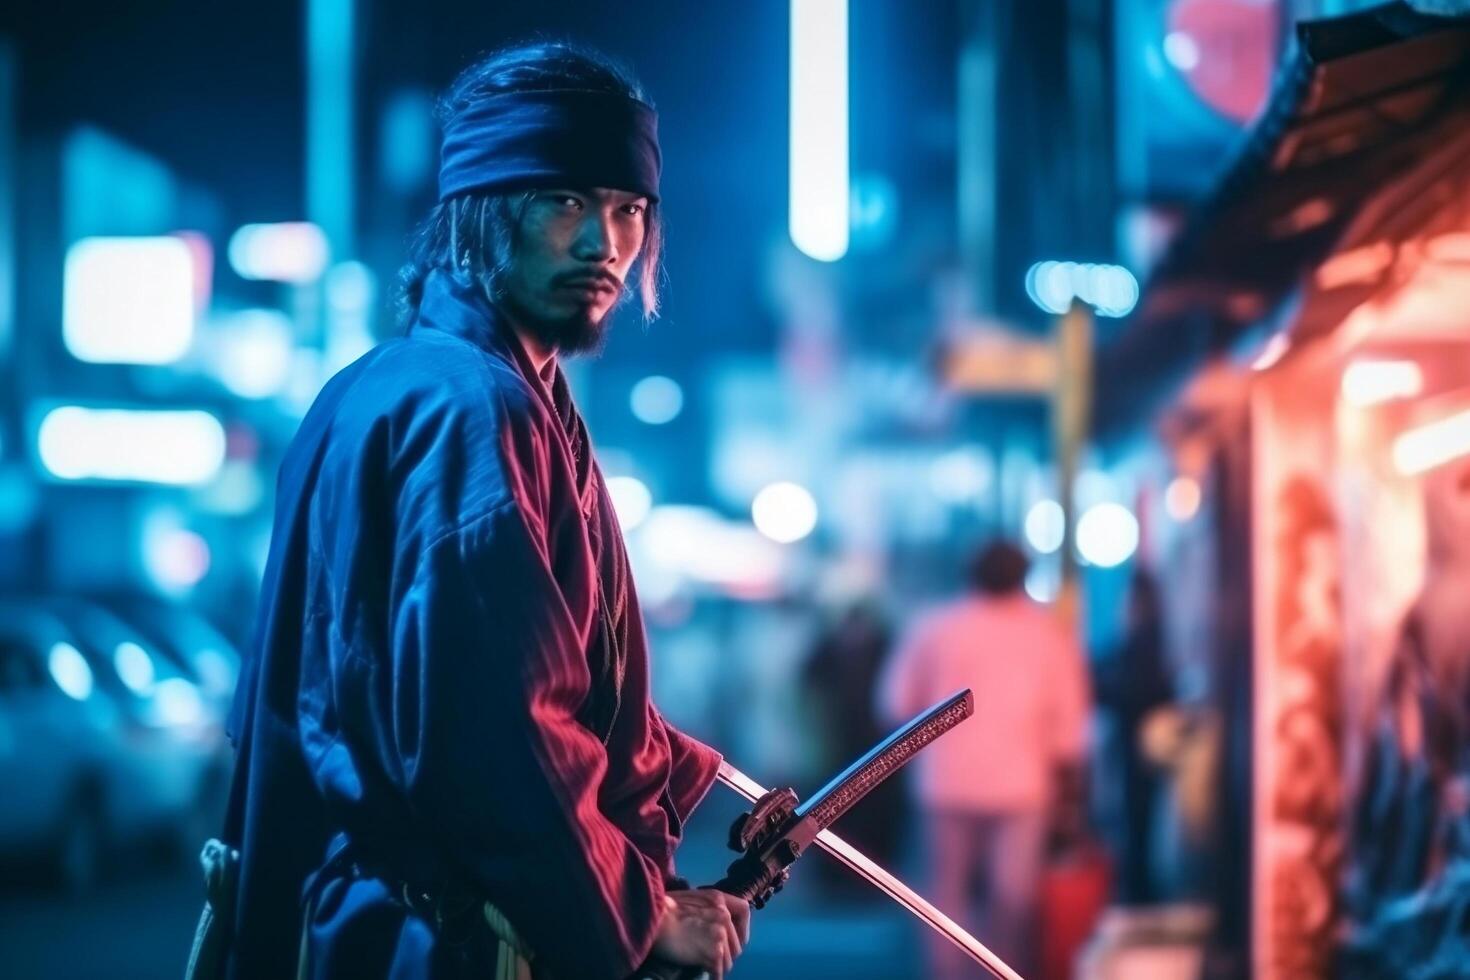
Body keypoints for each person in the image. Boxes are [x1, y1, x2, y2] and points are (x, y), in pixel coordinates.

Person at [219, 42, 750, 980]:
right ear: (482, 213)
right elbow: (498, 732)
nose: (605, 246)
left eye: (629, 209)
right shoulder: (471, 407)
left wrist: (696, 775)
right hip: (438, 941)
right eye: (564, 202)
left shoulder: (404, 387)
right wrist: (637, 914)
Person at [877, 541, 1091, 979]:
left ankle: (946, 971)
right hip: (1023, 784)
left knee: (944, 893)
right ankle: (999, 971)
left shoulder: (936, 626)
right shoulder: (1046, 633)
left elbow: (895, 702)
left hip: (945, 780)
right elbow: (1071, 722)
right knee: (1012, 897)